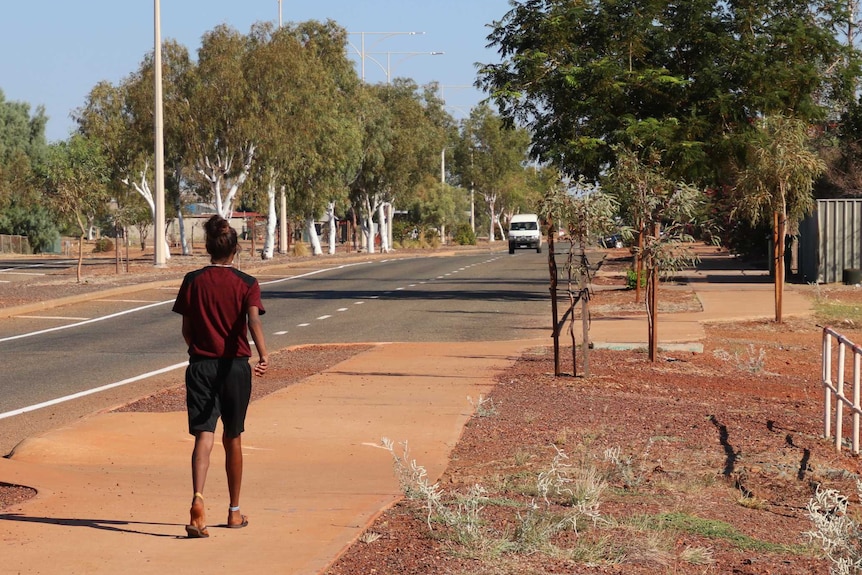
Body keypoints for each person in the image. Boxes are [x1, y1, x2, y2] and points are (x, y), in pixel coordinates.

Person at [172, 214, 269, 538]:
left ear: (208, 247)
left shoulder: (192, 280)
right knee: (234, 436)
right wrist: (264, 355)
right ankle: (234, 511)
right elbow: (253, 322)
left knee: (204, 436)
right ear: (235, 248)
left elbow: (186, 329)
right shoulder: (247, 283)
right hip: (235, 368)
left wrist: (201, 349)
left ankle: (198, 500)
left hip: (200, 366)